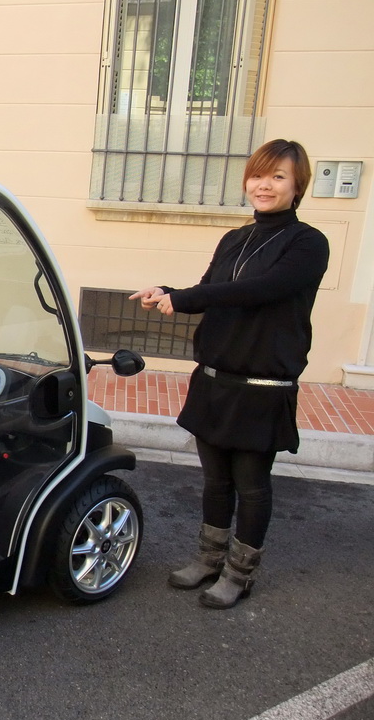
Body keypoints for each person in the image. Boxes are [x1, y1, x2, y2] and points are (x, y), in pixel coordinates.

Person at [130, 139, 329, 609]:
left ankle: (241, 573)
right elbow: (214, 289)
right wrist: (172, 291)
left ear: (297, 186)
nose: (264, 185)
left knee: (251, 484)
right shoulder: (235, 238)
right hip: (215, 380)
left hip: (261, 386)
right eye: (259, 175)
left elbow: (262, 290)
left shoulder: (308, 242)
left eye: (278, 176)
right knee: (215, 481)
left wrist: (191, 299)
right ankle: (209, 559)